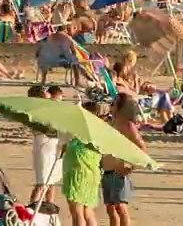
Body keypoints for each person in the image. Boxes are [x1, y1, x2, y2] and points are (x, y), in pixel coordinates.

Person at [102, 93, 146, 226]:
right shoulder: (111, 123)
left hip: (118, 171)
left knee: (121, 207)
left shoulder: (127, 125)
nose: (111, 106)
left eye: (114, 104)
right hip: (107, 171)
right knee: (110, 209)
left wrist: (131, 166)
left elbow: (142, 147)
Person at [62, 101, 103, 226]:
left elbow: (72, 146)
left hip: (78, 171)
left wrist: (66, 146)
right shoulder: (100, 130)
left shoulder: (81, 130)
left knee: (77, 212)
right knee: (88, 212)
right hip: (92, 173)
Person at [29, 85, 63, 204]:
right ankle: (32, 210)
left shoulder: (49, 109)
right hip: (43, 147)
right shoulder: (35, 112)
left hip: (54, 147)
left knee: (52, 182)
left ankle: (49, 208)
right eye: (46, 93)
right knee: (42, 183)